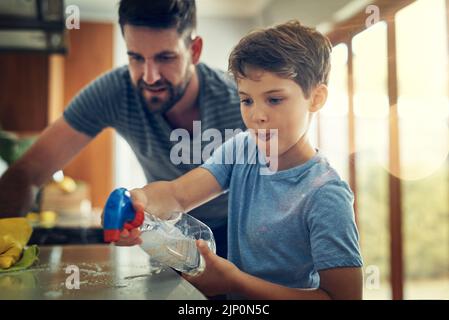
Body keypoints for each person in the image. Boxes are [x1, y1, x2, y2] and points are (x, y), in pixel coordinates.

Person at [117, 20, 364, 300]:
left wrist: (235, 283)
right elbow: (177, 194)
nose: (256, 115)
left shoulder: (325, 194)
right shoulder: (242, 149)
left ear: (316, 98)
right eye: (247, 100)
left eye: (274, 100)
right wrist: (140, 202)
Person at [0, 0, 245, 259]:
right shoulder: (114, 91)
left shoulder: (240, 102)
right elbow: (27, 172)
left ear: (194, 51)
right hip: (168, 234)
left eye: (165, 57)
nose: (149, 77)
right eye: (136, 57)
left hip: (239, 233)